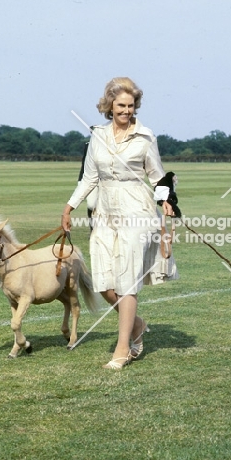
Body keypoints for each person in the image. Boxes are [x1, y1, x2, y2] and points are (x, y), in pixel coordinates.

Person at [61, 77, 178, 369]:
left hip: (137, 211)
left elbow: (158, 176)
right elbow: (89, 177)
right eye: (120, 106)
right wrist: (69, 206)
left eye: (130, 105)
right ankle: (137, 325)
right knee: (102, 280)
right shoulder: (97, 136)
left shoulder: (145, 137)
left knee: (127, 281)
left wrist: (166, 200)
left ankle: (123, 347)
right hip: (104, 212)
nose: (126, 111)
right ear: (109, 106)